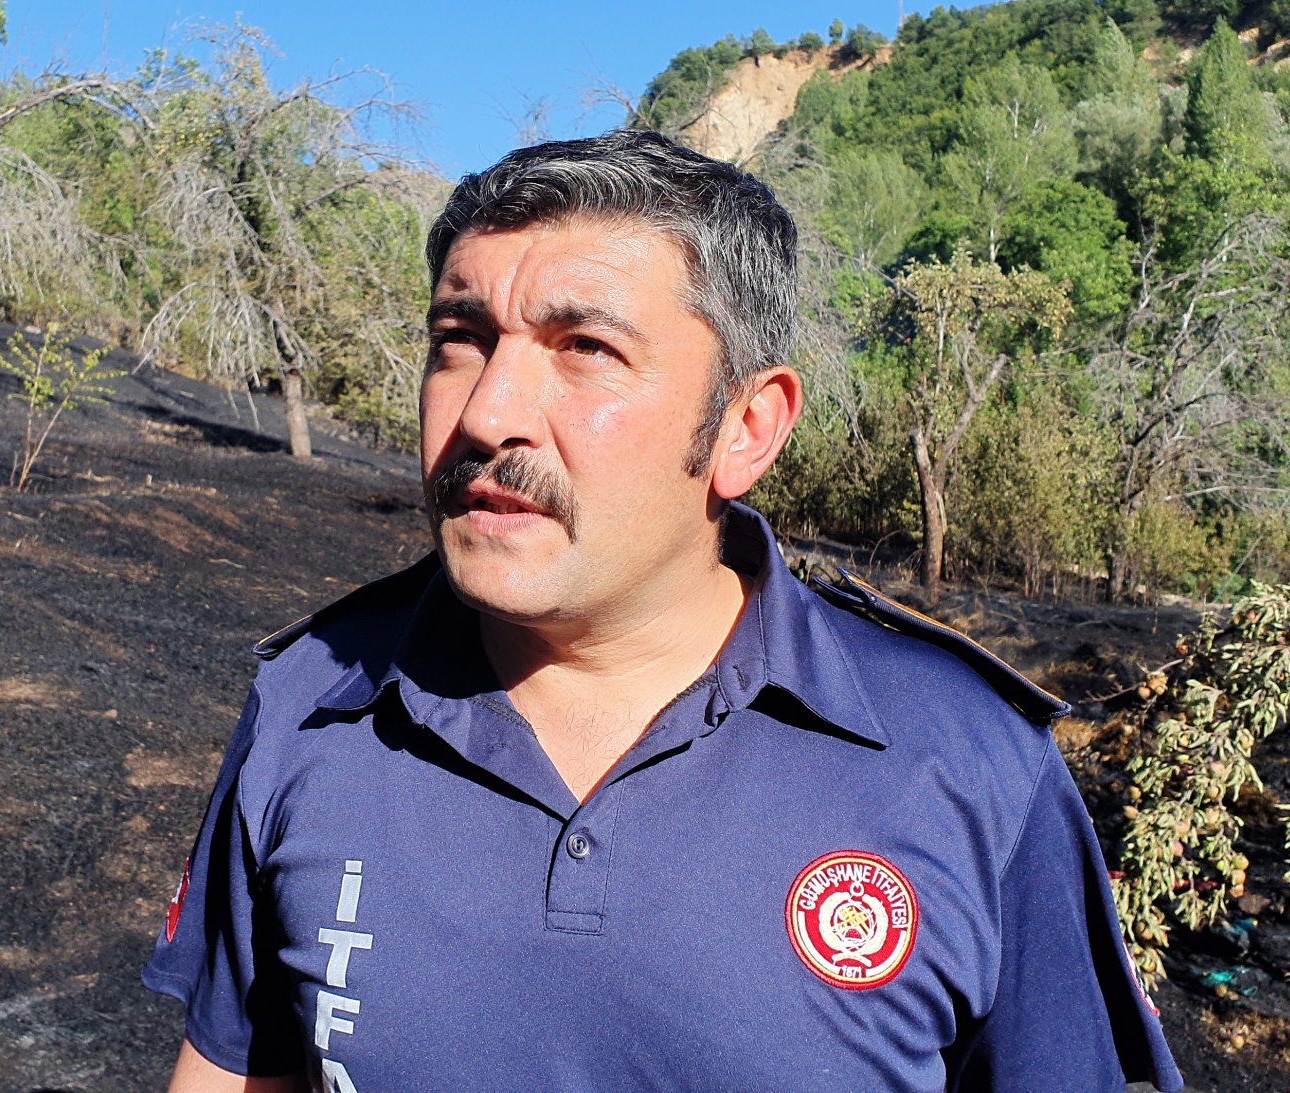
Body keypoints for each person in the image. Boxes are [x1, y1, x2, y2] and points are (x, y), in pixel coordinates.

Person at [143, 130, 1183, 1093]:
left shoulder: (964, 763)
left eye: (583, 347)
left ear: (744, 425)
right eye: (459, 337)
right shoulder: (311, 704)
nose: (487, 411)